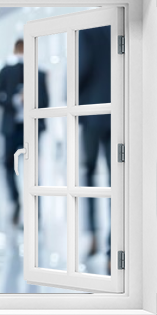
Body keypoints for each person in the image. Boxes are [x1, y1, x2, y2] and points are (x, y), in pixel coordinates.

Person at [0, 39, 49, 225]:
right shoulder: (6, 71)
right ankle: (15, 201)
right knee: (9, 166)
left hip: (31, 129)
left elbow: (45, 102)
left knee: (32, 169)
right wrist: (16, 100)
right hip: (12, 127)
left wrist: (30, 101)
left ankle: (35, 208)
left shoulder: (39, 74)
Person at [78, 26, 111, 259]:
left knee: (88, 174)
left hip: (91, 113)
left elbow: (82, 69)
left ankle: (93, 236)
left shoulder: (88, 30)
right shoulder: (121, 28)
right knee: (116, 180)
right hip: (118, 113)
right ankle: (113, 246)